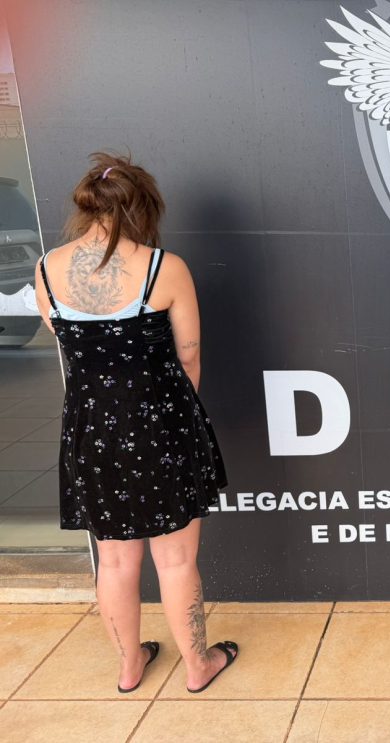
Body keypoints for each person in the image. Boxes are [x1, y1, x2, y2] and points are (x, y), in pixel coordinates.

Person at [34, 152, 238, 694]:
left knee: (115, 561)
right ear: (143, 207)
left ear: (87, 207)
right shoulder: (163, 267)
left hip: (90, 430)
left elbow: (71, 344)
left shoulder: (47, 268)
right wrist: (170, 418)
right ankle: (198, 666)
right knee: (176, 559)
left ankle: (129, 667)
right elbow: (189, 357)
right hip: (160, 425)